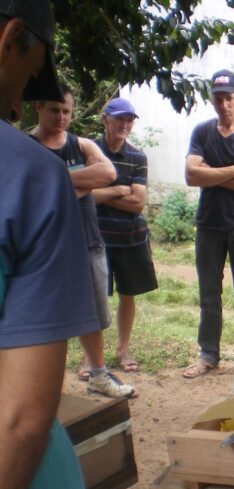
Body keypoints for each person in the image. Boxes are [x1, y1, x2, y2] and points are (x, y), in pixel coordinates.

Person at [0, 1, 101, 489]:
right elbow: (20, 417)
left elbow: (114, 180)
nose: (17, 105)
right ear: (10, 40)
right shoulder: (29, 174)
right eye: (30, 80)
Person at [31, 86, 138, 399]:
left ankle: (99, 375)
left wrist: (54, 183)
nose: (62, 117)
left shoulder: (82, 144)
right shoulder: (28, 147)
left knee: (93, 313)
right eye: (54, 110)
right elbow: (31, 189)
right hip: (45, 246)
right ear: (38, 105)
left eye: (66, 111)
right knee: (48, 317)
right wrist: (79, 182)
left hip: (88, 241)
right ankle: (42, 386)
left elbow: (107, 172)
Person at [183, 69, 234, 378]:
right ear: (212, 100)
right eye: (218, 99)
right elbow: (191, 175)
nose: (224, 104)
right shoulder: (202, 132)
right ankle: (209, 354)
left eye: (229, 98)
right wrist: (233, 169)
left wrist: (212, 174)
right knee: (208, 292)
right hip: (209, 224)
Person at [93, 97, 158, 373]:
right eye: (120, 118)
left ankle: (122, 349)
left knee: (127, 294)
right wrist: (117, 190)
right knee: (95, 297)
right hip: (95, 237)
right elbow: (81, 195)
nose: (125, 124)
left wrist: (101, 194)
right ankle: (90, 357)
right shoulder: (89, 150)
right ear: (105, 119)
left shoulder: (137, 157)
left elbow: (137, 203)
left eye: (130, 120)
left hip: (130, 236)